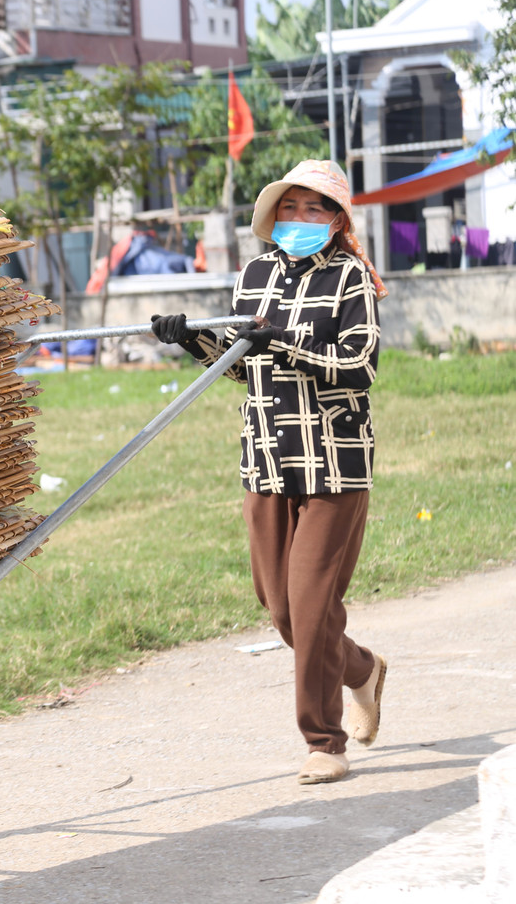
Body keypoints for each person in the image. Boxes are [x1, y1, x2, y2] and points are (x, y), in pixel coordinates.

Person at [151, 160, 387, 784]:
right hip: (265, 458)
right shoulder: (256, 273)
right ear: (273, 216)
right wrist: (191, 339)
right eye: (291, 208)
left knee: (310, 606)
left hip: (333, 462)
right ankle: (362, 668)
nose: (301, 219)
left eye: (316, 210)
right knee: (281, 610)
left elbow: (358, 365)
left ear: (337, 222)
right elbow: (239, 364)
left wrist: (280, 343)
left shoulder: (351, 277)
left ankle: (324, 742)